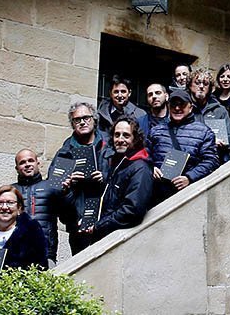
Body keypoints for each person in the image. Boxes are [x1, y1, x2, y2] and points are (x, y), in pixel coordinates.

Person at [78, 118, 153, 243]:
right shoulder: (116, 162)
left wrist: (99, 226)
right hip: (106, 233)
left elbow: (132, 210)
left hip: (118, 238)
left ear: (135, 138)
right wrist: (89, 219)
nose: (120, 140)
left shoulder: (140, 168)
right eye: (117, 135)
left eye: (126, 135)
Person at [147, 88, 220, 205]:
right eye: (174, 105)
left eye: (182, 105)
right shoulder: (156, 130)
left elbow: (211, 161)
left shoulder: (204, 132)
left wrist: (189, 178)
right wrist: (150, 168)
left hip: (187, 194)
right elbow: (145, 155)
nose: (177, 108)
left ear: (190, 107)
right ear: (168, 106)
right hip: (157, 193)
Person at [57, 102, 108, 254]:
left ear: (94, 119)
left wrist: (105, 176)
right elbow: (54, 188)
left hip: (105, 219)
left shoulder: (109, 145)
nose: (82, 122)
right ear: (72, 124)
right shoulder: (66, 151)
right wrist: (68, 182)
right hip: (78, 222)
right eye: (77, 119)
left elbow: (123, 176)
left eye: (86, 117)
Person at [11, 148, 63, 267]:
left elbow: (68, 215)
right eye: (22, 162)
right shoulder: (11, 191)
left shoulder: (51, 186)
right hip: (16, 254)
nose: (27, 164)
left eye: (31, 161)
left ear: (38, 163)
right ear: (17, 168)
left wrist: (66, 191)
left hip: (46, 253)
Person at [188, 68, 230, 163]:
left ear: (210, 88)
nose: (201, 86)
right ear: (190, 85)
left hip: (213, 161)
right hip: (189, 161)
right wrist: (211, 141)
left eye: (205, 84)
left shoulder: (219, 110)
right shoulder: (182, 109)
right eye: (197, 83)